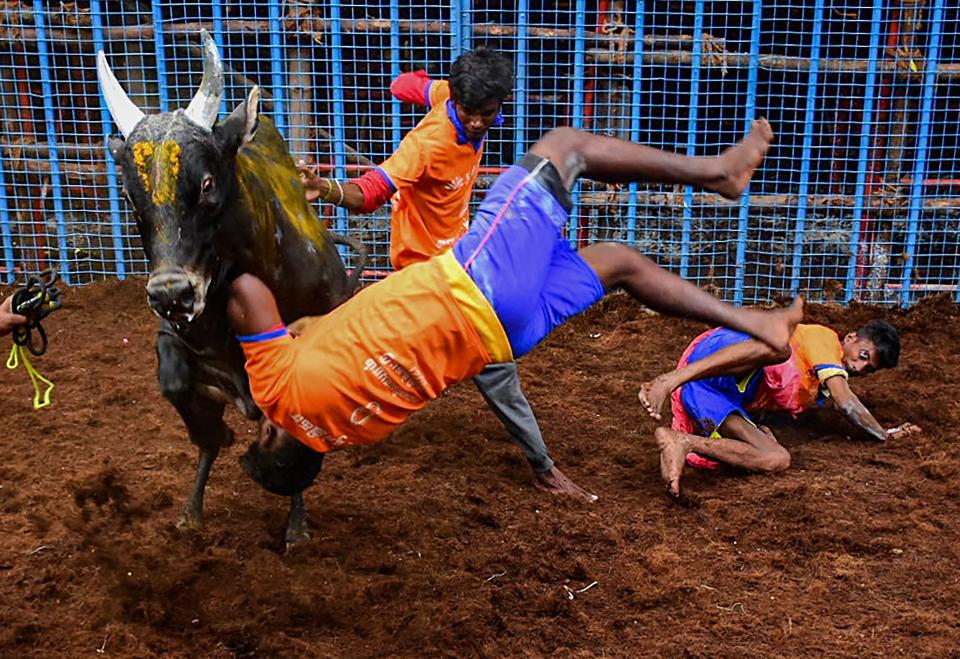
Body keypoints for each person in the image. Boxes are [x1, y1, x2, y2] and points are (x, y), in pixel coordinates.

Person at [229, 120, 804, 499]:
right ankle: (718, 173)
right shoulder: (277, 391)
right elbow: (249, 291)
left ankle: (755, 323)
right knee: (562, 148)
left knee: (618, 262)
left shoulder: (351, 435)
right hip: (474, 286)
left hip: (505, 339)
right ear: (269, 437)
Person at [300, 48, 590, 499]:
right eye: (468, 113)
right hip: (427, 278)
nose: (476, 122)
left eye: (486, 114)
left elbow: (408, 86)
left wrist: (406, 85)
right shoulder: (427, 142)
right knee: (495, 366)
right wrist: (330, 189)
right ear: (455, 101)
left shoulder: (448, 96)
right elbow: (373, 191)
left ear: (501, 104)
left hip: (458, 254)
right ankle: (545, 469)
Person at [640, 318, 921, 497]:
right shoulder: (823, 340)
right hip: (717, 358)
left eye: (867, 369)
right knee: (778, 347)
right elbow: (845, 401)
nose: (858, 367)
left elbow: (767, 396)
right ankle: (669, 379)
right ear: (849, 338)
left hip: (711, 394)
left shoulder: (812, 388)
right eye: (862, 356)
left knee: (777, 458)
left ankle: (683, 442)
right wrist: (884, 434)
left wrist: (761, 427)